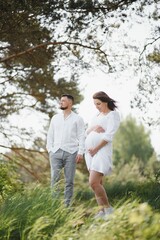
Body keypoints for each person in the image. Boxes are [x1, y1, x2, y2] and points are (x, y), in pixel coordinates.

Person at [85, 91, 120, 219]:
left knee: (93, 182)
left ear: (105, 101)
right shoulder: (96, 115)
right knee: (98, 184)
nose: (96, 106)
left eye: (98, 103)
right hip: (90, 153)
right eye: (95, 104)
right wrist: (94, 128)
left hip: (101, 151)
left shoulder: (113, 115)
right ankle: (102, 212)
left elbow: (109, 135)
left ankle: (109, 209)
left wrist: (96, 148)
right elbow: (87, 131)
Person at [46, 94, 85, 207]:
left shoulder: (78, 119)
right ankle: (54, 206)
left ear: (70, 103)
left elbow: (82, 136)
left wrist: (80, 152)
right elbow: (50, 135)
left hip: (71, 153)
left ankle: (67, 206)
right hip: (55, 152)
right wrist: (50, 150)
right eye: (60, 101)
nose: (61, 102)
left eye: (63, 101)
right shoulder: (55, 118)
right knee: (55, 180)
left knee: (69, 182)